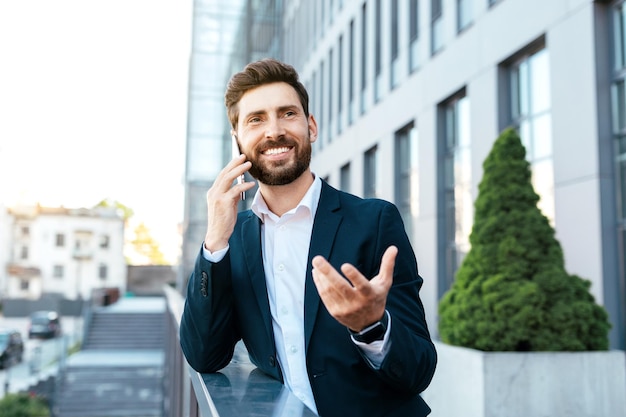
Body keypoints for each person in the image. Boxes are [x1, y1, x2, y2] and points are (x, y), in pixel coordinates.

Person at [180, 58, 437, 417]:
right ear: (236, 138)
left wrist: (370, 327)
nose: (274, 131)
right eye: (256, 119)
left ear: (310, 126)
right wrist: (213, 244)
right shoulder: (233, 240)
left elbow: (420, 368)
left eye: (287, 114)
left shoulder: (374, 221)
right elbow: (204, 354)